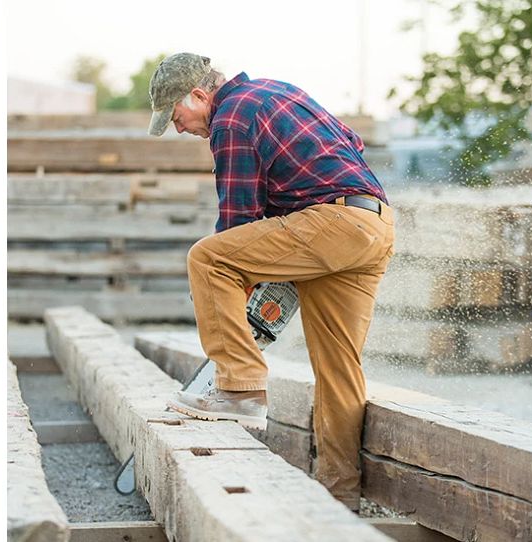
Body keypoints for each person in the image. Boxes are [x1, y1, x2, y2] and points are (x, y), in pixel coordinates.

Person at [148, 53, 394, 511]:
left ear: (200, 96)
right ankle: (339, 498)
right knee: (338, 369)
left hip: (331, 223)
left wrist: (234, 290)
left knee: (207, 259)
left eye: (178, 117)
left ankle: (239, 389)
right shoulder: (279, 90)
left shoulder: (232, 117)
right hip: (372, 225)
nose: (180, 128)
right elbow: (350, 145)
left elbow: (238, 222)